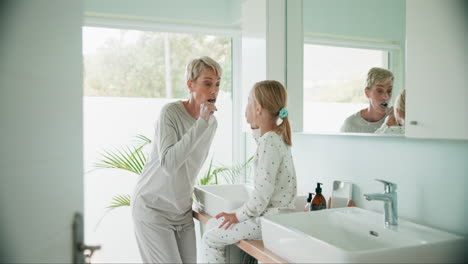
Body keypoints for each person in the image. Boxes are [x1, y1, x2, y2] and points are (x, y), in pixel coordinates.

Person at [131, 56, 222, 263]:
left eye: (217, 84)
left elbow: (192, 166)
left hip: (181, 211)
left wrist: (204, 122)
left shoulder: (212, 123)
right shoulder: (170, 113)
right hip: (152, 208)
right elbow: (170, 165)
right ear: (190, 84)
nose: (214, 90)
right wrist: (201, 122)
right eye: (207, 83)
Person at [201, 80, 297, 263]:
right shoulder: (275, 137)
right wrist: (255, 126)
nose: (245, 107)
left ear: (259, 108)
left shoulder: (269, 141)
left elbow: (260, 198)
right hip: (274, 218)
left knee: (210, 238)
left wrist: (236, 216)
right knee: (214, 224)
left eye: (248, 102)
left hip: (271, 221)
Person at [340, 67, 394, 133]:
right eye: (379, 91)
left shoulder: (397, 119)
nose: (386, 96)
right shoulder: (351, 124)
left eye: (389, 91)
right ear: (367, 93)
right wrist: (387, 126)